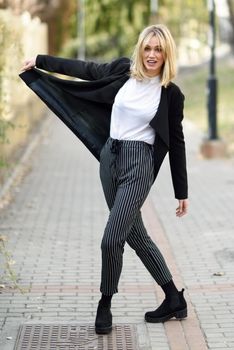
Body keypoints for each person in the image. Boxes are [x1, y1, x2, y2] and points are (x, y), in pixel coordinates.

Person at [21, 23, 188, 335]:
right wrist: (41, 61)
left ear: (167, 54)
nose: (152, 55)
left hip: (139, 167)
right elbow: (86, 69)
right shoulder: (123, 72)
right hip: (109, 158)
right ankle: (173, 299)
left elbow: (176, 142)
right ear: (140, 49)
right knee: (136, 236)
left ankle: (105, 302)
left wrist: (182, 191)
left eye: (158, 49)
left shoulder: (170, 94)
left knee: (112, 239)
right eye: (147, 48)